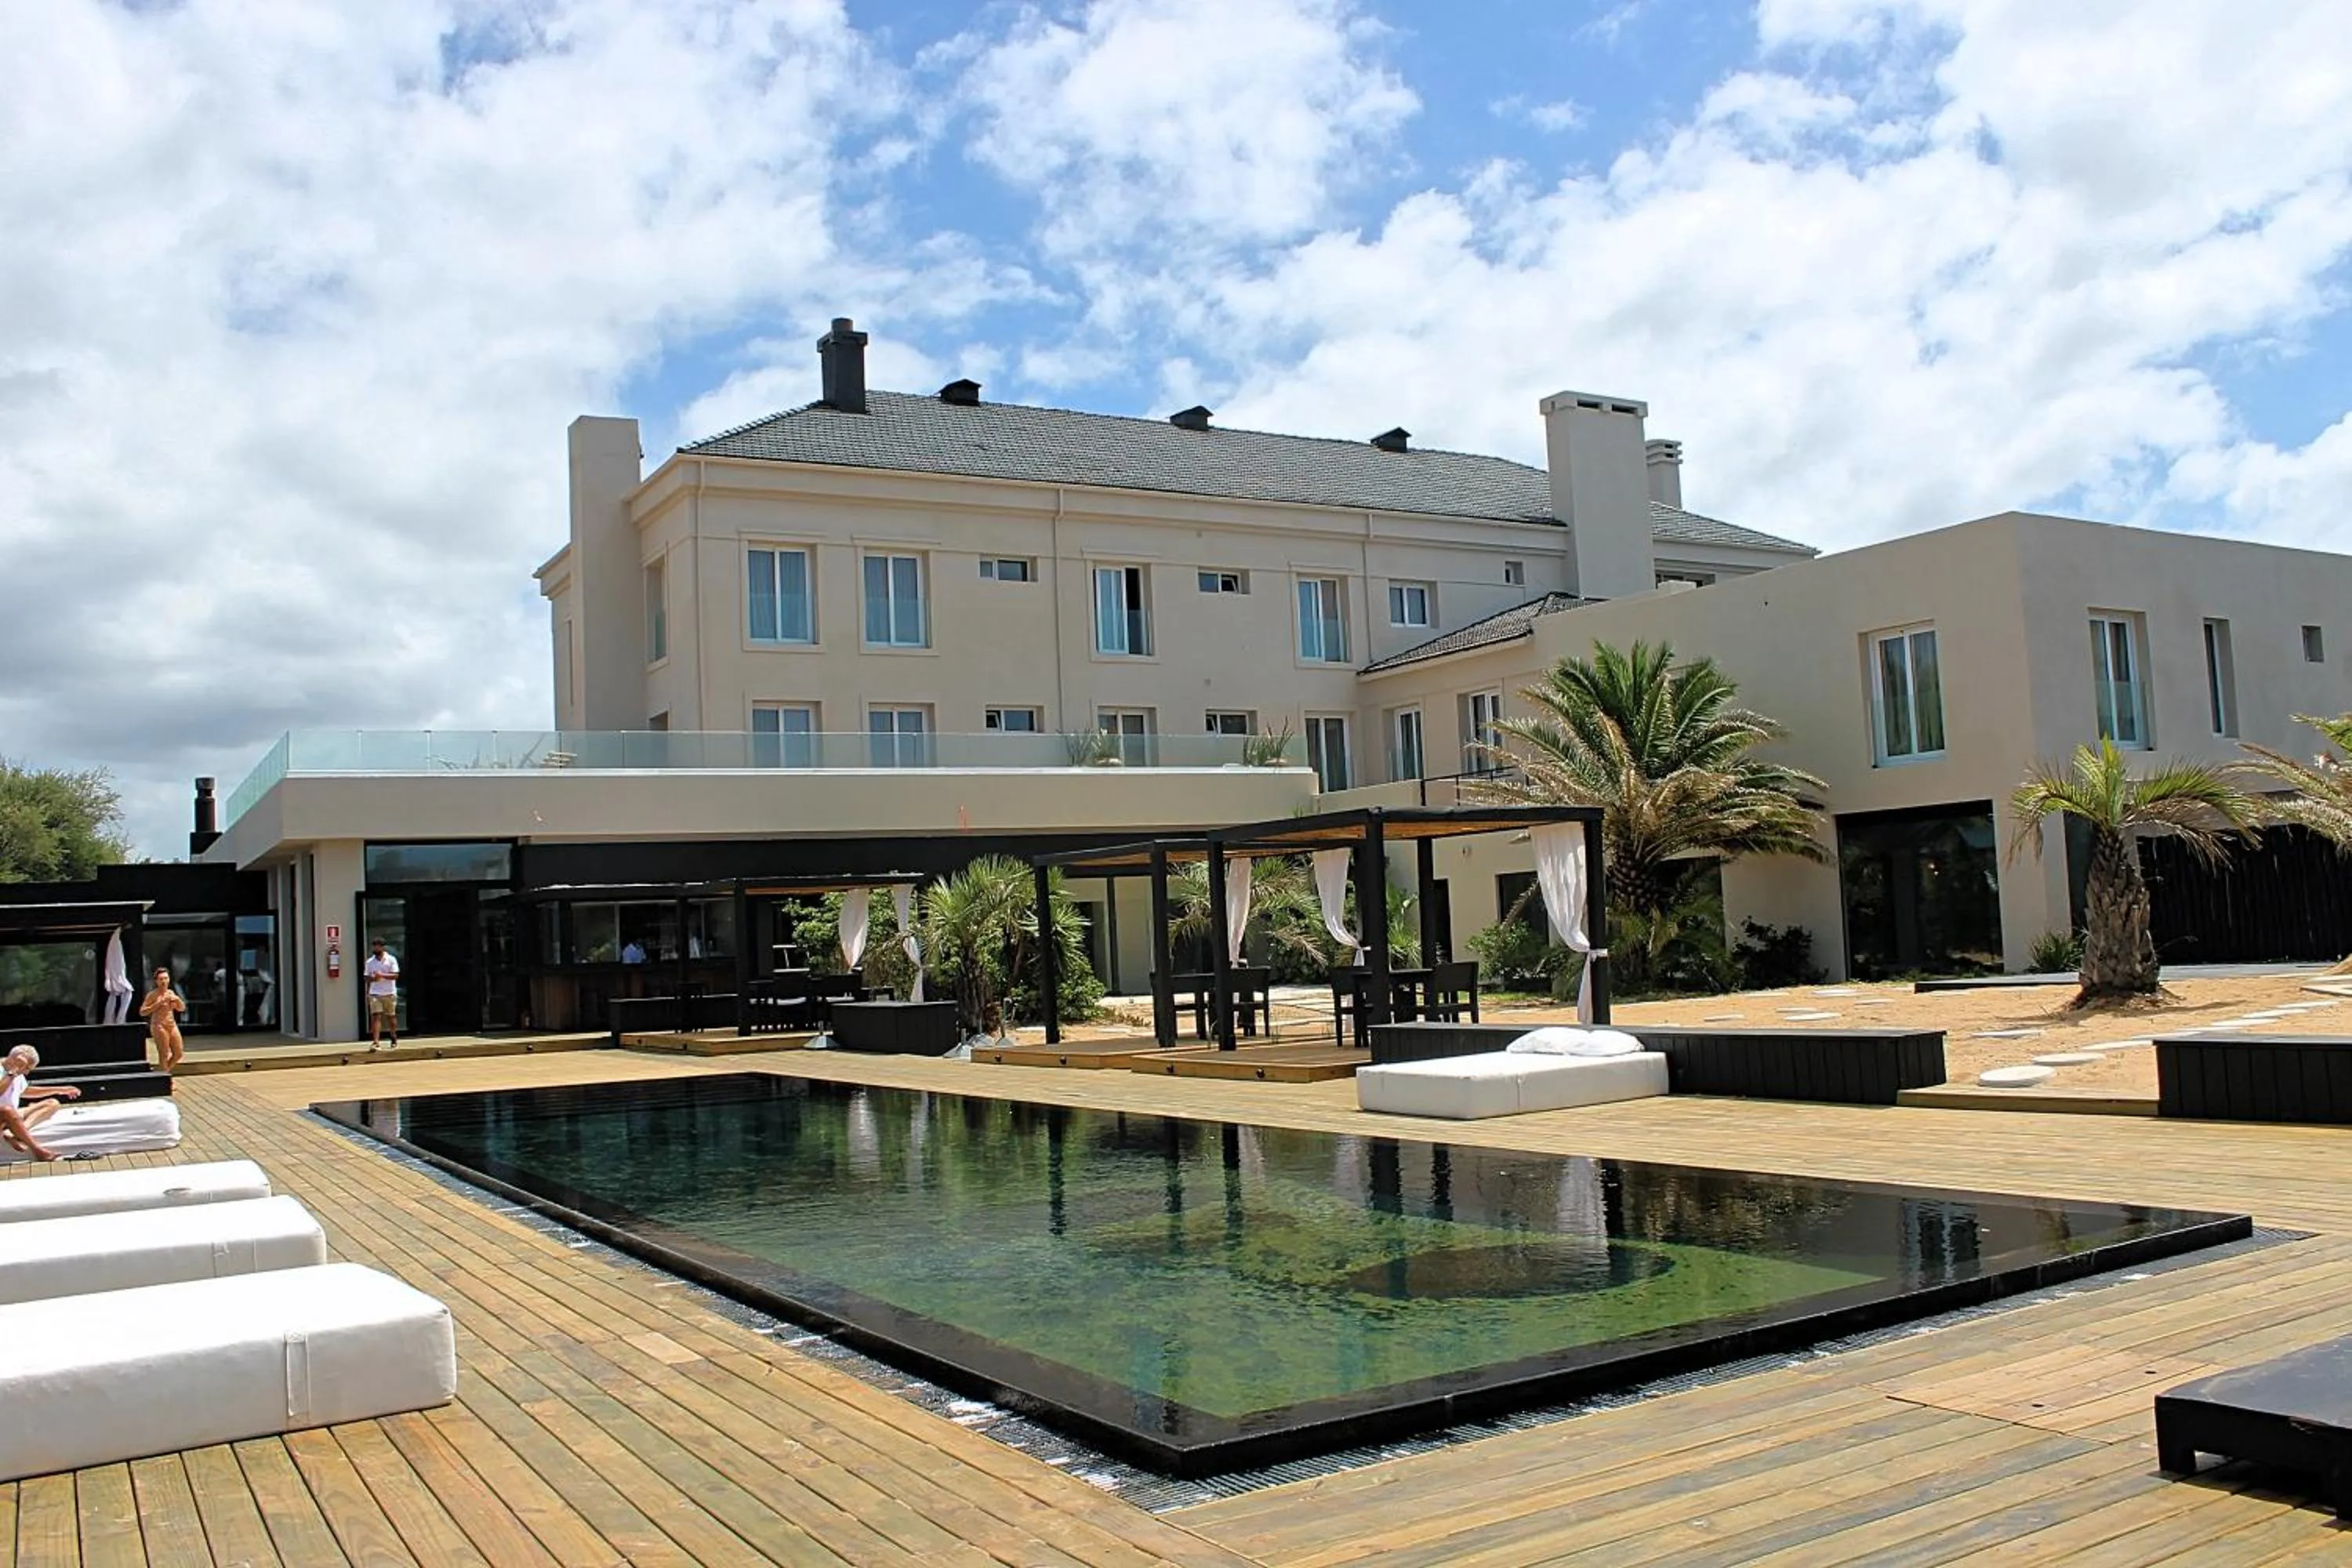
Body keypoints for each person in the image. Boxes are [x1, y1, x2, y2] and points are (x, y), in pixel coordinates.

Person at [0, 1045, 81, 1163]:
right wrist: (12, 1072)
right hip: (4, 1114)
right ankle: (39, 1152)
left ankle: (15, 1133)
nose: (27, 1072)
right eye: (27, 1068)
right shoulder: (11, 1071)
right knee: (7, 1110)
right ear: (16, 1060)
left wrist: (60, 1090)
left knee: (52, 1103)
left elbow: (25, 1091)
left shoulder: (17, 1073)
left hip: (11, 1116)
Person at [139, 965, 187, 1072]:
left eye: (166, 978)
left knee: (178, 1053)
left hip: (171, 1024)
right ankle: (165, 1077)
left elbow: (182, 1008)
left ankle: (162, 1073)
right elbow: (142, 1012)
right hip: (159, 1025)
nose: (164, 981)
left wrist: (178, 1000)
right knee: (164, 1054)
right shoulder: (153, 995)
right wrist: (158, 1004)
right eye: (161, 979)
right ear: (156, 981)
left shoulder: (171, 992)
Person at [364, 937, 401, 1049]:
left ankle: (393, 1036)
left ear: (383, 947)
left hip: (389, 992)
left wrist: (382, 975)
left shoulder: (391, 959)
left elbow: (395, 975)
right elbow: (366, 977)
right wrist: (373, 979)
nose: (376, 948)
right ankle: (376, 1041)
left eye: (378, 946)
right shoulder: (370, 962)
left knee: (391, 1016)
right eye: (374, 946)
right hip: (375, 993)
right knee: (376, 1016)